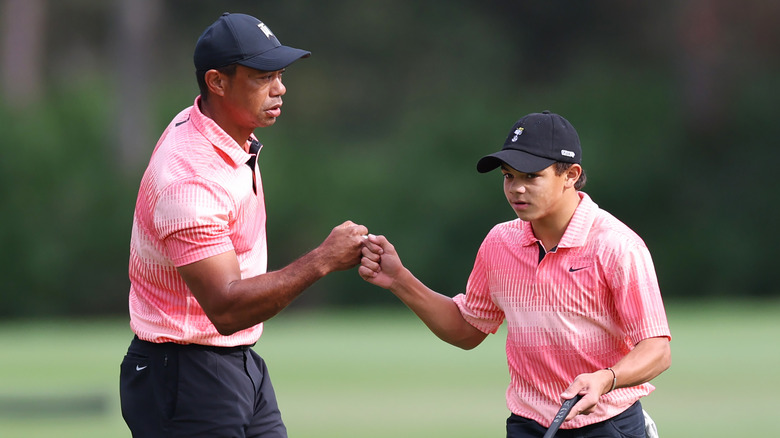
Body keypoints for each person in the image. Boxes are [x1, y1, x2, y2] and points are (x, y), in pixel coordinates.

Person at [119, 13, 368, 437]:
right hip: (184, 373)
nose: (280, 88)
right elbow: (226, 308)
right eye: (262, 77)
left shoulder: (219, 128)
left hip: (234, 364)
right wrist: (322, 260)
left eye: (280, 74)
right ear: (216, 82)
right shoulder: (189, 178)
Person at [359, 111, 672, 437]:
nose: (516, 189)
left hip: (608, 424)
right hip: (529, 425)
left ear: (570, 174)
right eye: (509, 177)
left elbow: (657, 349)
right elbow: (468, 329)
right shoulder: (500, 242)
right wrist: (399, 280)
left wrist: (605, 379)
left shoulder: (616, 246)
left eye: (531, 177)